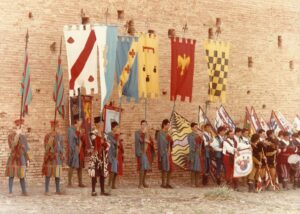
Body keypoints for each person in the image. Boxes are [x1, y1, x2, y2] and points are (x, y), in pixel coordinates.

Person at [6, 119, 30, 196]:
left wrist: (27, 160)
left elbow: (26, 149)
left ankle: (24, 191)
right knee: (11, 174)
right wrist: (17, 135)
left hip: (22, 157)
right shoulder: (10, 136)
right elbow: (13, 146)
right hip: (13, 157)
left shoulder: (23, 137)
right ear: (15, 127)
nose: (20, 128)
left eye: (21, 127)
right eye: (18, 126)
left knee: (22, 174)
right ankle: (10, 191)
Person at [88, 116, 110, 196]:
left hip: (103, 156)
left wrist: (103, 142)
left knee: (102, 174)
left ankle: (102, 190)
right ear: (96, 124)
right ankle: (93, 190)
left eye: (103, 123)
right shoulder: (93, 133)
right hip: (95, 156)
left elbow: (107, 145)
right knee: (94, 173)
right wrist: (100, 138)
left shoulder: (105, 134)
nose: (102, 125)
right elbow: (93, 142)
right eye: (101, 123)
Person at [42, 121, 64, 195]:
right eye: (53, 127)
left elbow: (62, 147)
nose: (55, 129)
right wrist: (51, 138)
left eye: (56, 127)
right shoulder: (47, 136)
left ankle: (57, 190)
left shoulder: (60, 136)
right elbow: (46, 147)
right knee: (48, 174)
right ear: (51, 127)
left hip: (57, 157)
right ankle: (46, 190)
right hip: (49, 157)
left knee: (57, 174)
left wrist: (61, 153)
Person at [67, 115, 86, 187]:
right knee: (72, 165)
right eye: (80, 120)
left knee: (80, 165)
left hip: (80, 149)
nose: (81, 122)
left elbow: (82, 140)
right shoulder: (70, 129)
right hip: (74, 149)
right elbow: (72, 139)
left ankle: (80, 182)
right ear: (77, 121)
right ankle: (69, 182)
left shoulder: (81, 129)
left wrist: (82, 135)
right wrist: (78, 133)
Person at [135, 120, 154, 188]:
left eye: (145, 125)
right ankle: (140, 184)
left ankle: (143, 182)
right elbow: (139, 140)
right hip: (141, 152)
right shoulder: (137, 133)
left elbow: (152, 142)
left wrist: (148, 141)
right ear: (140, 125)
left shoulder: (148, 134)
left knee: (146, 168)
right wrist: (143, 134)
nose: (144, 126)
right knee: (142, 167)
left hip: (147, 153)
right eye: (142, 124)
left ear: (146, 126)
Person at [157, 119, 174, 188]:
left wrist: (170, 138)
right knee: (164, 168)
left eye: (169, 125)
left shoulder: (168, 133)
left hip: (168, 152)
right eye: (167, 125)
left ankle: (168, 183)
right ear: (164, 125)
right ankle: (163, 183)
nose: (168, 126)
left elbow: (171, 142)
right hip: (163, 152)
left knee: (170, 168)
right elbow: (161, 143)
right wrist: (163, 153)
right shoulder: (160, 133)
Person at [187, 122, 203, 187]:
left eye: (197, 127)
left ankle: (197, 183)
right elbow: (191, 143)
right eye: (195, 127)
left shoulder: (198, 135)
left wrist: (201, 138)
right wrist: (198, 138)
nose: (197, 128)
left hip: (198, 153)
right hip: (193, 153)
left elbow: (200, 143)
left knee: (197, 168)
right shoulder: (190, 135)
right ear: (192, 128)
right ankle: (192, 183)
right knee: (193, 168)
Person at [107, 121, 121, 189]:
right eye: (116, 127)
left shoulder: (116, 135)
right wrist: (116, 138)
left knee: (115, 170)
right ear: (113, 127)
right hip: (111, 154)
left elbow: (118, 144)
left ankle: (113, 184)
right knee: (112, 170)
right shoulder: (109, 134)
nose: (117, 128)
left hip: (115, 154)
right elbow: (112, 142)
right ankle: (109, 184)